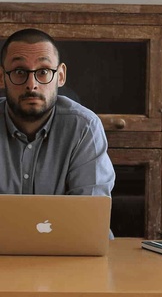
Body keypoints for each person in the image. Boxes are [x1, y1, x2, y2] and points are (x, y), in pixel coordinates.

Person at [0, 28, 115, 198]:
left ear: (60, 76)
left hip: (70, 226)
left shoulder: (84, 127)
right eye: (19, 72)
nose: (32, 85)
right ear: (2, 77)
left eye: (44, 71)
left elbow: (89, 214)